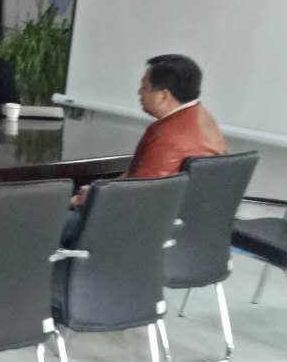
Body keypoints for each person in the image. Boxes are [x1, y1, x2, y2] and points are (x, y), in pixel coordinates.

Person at [63, 53, 226, 244]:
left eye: (144, 87)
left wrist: (91, 197)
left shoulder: (167, 135)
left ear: (163, 95)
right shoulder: (203, 118)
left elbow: (138, 199)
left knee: (41, 223)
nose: (139, 92)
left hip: (137, 231)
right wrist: (97, 190)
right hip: (181, 229)